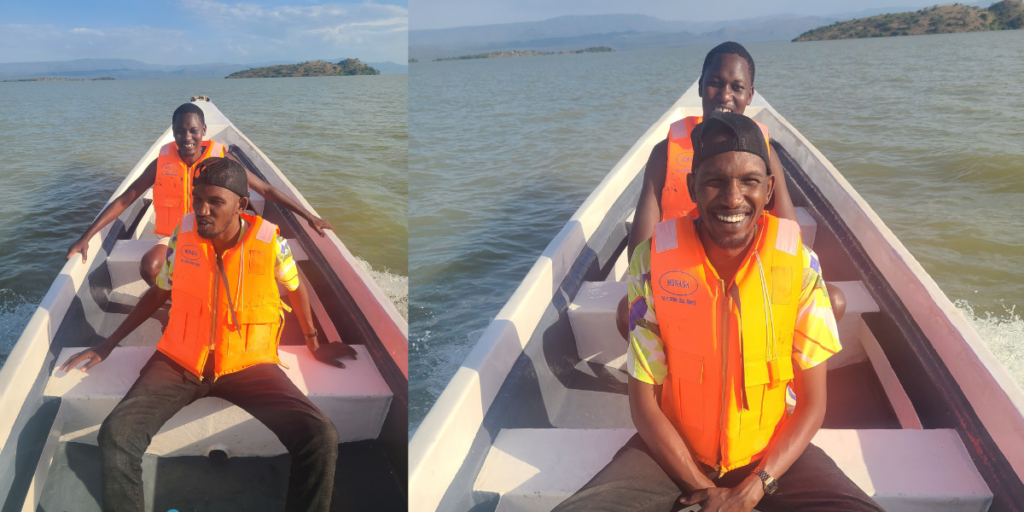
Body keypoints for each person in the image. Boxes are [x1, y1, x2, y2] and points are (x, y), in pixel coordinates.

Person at [554, 112, 883, 512]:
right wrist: (704, 490)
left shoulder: (801, 264)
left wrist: (755, 487)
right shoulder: (650, 264)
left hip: (771, 457)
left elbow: (813, 406)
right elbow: (644, 403)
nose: (732, 197)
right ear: (692, 186)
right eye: (714, 181)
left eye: (749, 181)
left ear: (770, 189)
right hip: (672, 452)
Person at [60, 158, 357, 512]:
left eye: (215, 202)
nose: (202, 210)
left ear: (240, 205)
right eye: (197, 199)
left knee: (320, 436)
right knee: (117, 436)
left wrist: (314, 342)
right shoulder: (182, 237)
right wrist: (108, 344)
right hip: (179, 362)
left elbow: (296, 288)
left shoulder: (270, 243)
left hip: (249, 365)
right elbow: (159, 290)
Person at [616, 42, 846, 339]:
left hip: (748, 268)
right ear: (700, 86)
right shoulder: (665, 152)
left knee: (833, 302)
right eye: (715, 83)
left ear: (750, 95)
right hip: (682, 272)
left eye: (737, 87)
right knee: (628, 311)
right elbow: (639, 250)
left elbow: (788, 233)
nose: (725, 95)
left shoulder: (764, 152)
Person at [66, 102, 334, 286]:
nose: (187, 137)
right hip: (175, 234)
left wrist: (309, 216)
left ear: (203, 131)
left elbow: (265, 189)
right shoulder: (162, 162)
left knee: (230, 270)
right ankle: (171, 304)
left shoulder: (221, 158)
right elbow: (126, 199)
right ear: (173, 133)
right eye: (180, 131)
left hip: (215, 231)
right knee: (149, 267)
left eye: (193, 130)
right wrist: (85, 237)